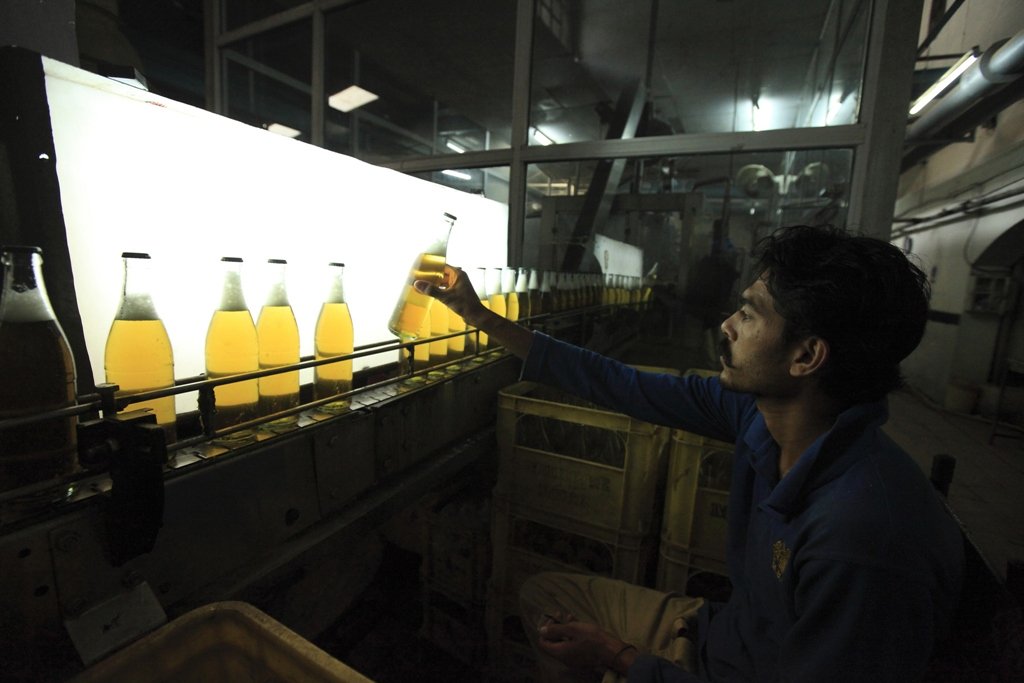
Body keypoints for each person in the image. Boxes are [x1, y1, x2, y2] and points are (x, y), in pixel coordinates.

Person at [414, 225, 964, 682]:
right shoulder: (762, 417)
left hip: (735, 667)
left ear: (806, 355)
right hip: (723, 637)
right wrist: (481, 318)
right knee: (545, 596)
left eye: (749, 314)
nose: (726, 324)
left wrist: (620, 658)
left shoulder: (862, 540)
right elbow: (619, 383)